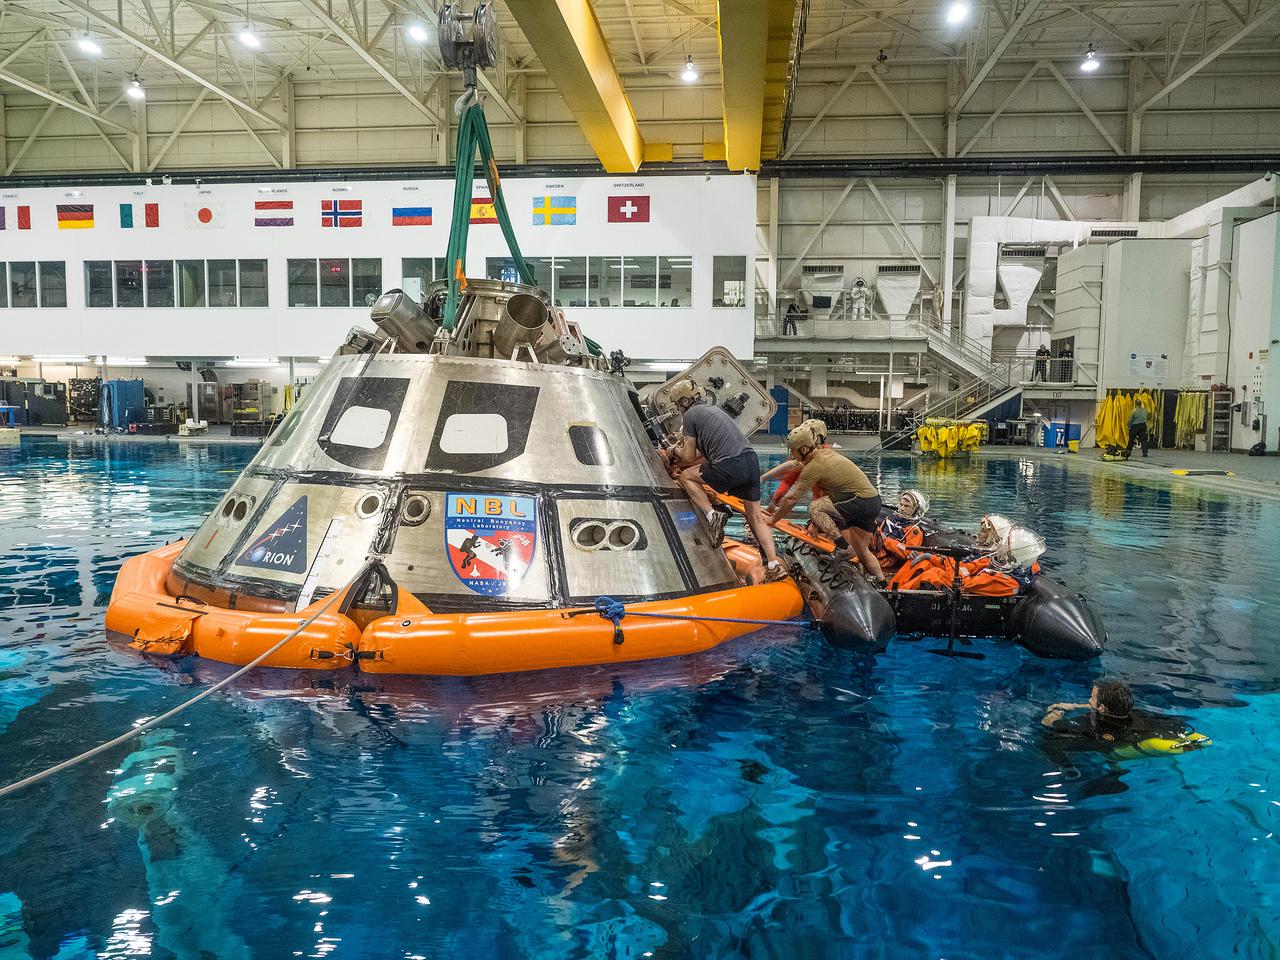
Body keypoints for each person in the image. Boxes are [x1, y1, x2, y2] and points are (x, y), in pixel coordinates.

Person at [662, 378, 787, 582]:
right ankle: (774, 565)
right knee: (754, 517)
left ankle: (713, 516)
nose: (678, 408)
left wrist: (672, 450)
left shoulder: (691, 416)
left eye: (678, 404)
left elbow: (689, 457)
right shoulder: (714, 410)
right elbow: (705, 456)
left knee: (686, 477)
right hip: (750, 461)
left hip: (731, 464)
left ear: (684, 402)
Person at [768, 424, 886, 584]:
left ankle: (844, 548)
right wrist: (763, 477)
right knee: (863, 551)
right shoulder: (821, 455)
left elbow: (791, 499)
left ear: (803, 449)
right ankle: (883, 584)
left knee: (815, 507)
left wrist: (773, 520)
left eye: (792, 450)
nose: (790, 453)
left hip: (859, 501)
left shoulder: (815, 466)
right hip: (871, 501)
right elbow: (791, 466)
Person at [761, 418, 828, 508]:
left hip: (837, 503)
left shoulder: (821, 458)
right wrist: (774, 501)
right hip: (827, 500)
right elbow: (789, 479)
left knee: (815, 507)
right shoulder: (812, 454)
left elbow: (792, 467)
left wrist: (763, 478)